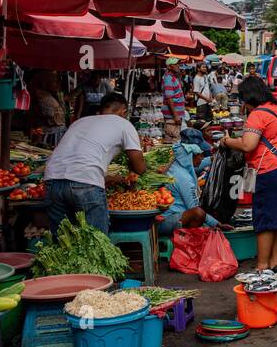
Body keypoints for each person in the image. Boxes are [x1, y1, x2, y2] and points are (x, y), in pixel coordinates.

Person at [219, 75, 277, 272]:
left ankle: (262, 267)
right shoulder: (276, 109)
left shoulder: (257, 114)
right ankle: (274, 262)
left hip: (268, 171)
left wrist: (227, 141)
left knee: (263, 221)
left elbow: (247, 144)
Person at [43, 92, 146, 234]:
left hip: (52, 180)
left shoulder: (80, 122)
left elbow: (74, 164)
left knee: (63, 242)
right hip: (84, 183)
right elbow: (140, 168)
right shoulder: (124, 125)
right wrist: (130, 169)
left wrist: (114, 178)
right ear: (124, 111)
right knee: (96, 242)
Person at [29, 71, 67, 146]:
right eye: (54, 81)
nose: (58, 84)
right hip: (48, 135)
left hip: (57, 134)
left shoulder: (51, 95)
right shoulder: (40, 96)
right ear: (45, 82)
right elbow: (35, 119)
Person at [162, 59, 188, 126]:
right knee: (175, 135)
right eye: (175, 64)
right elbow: (169, 99)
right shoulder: (169, 79)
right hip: (172, 116)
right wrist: (175, 115)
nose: (178, 66)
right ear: (169, 67)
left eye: (178, 64)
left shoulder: (173, 78)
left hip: (176, 115)